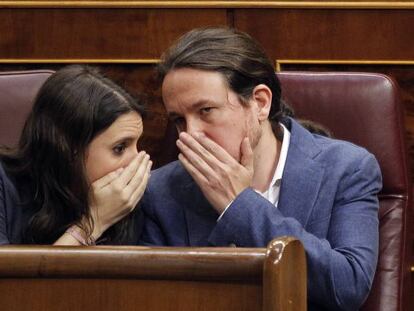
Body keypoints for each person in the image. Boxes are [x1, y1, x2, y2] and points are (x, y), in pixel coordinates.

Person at [139, 27, 382, 311]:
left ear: (260, 103)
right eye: (179, 119)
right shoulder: (160, 191)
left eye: (205, 111)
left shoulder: (347, 168)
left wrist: (239, 205)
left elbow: (348, 286)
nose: (190, 134)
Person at [0, 65, 151, 245]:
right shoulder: (5, 185)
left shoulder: (132, 200)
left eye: (137, 144)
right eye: (120, 148)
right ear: (70, 149)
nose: (138, 161)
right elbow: (16, 273)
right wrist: (94, 221)